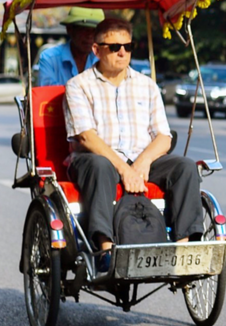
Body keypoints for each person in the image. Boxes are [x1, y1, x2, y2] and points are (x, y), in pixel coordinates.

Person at [64, 18, 203, 269]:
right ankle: (105, 250)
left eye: (128, 47)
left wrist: (142, 162)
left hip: (140, 158)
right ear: (96, 49)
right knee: (101, 166)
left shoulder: (147, 86)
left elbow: (163, 136)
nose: (122, 52)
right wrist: (124, 168)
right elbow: (86, 136)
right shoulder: (78, 85)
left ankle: (184, 250)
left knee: (185, 167)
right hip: (95, 159)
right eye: (114, 46)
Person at [37, 7, 105, 86]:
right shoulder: (49, 58)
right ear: (69, 29)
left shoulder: (103, 58)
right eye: (83, 29)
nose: (89, 36)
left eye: (95, 30)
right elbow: (47, 93)